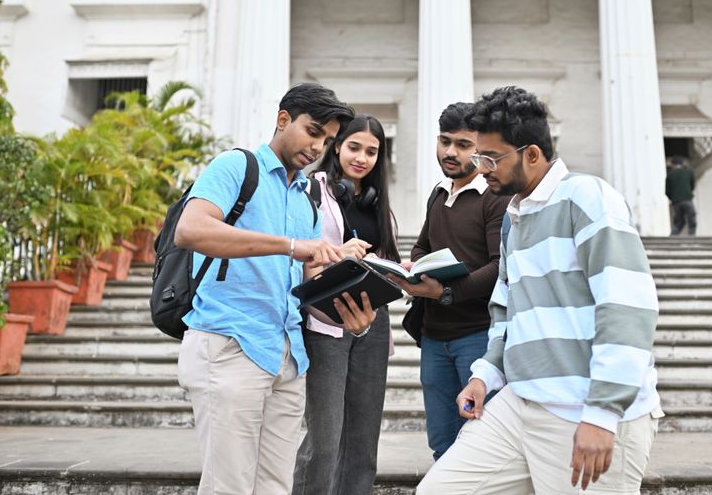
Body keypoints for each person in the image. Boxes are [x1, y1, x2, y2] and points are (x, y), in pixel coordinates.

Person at [417, 86, 663, 494]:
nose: (481, 167)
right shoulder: (515, 217)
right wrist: (484, 375)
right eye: (478, 156)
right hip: (520, 402)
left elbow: (627, 308)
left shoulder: (587, 198)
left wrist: (602, 413)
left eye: (491, 157)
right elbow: (506, 310)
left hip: (587, 410)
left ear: (531, 154)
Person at [174, 83, 375, 495]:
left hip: (288, 357)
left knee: (275, 488)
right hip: (229, 345)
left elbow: (306, 294)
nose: (318, 146)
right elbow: (190, 230)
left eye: (327, 140)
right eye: (313, 131)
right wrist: (290, 246)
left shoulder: (306, 201)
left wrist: (350, 316)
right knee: (227, 487)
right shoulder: (236, 167)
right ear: (283, 119)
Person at [387, 102, 510, 460]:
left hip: (477, 337)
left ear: (480, 148)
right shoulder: (439, 193)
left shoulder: (494, 197)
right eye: (444, 141)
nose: (450, 152)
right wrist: (410, 269)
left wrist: (445, 292)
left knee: (482, 442)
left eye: (463, 144)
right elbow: (425, 243)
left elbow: (498, 267)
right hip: (434, 336)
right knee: (442, 444)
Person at [293, 114, 400, 495]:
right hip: (327, 323)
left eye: (372, 151)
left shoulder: (377, 203)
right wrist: (340, 254)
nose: (362, 158)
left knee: (363, 440)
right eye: (354, 147)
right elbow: (298, 255)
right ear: (337, 146)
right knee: (324, 441)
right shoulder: (311, 192)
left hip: (373, 320)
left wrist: (397, 270)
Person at [665, 155, 697, 235]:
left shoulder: (670, 175)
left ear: (673, 164)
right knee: (691, 220)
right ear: (682, 163)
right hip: (687, 199)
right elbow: (692, 185)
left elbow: (667, 191)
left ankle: (673, 237)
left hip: (676, 202)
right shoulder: (688, 172)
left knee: (679, 222)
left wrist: (673, 198)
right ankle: (692, 237)